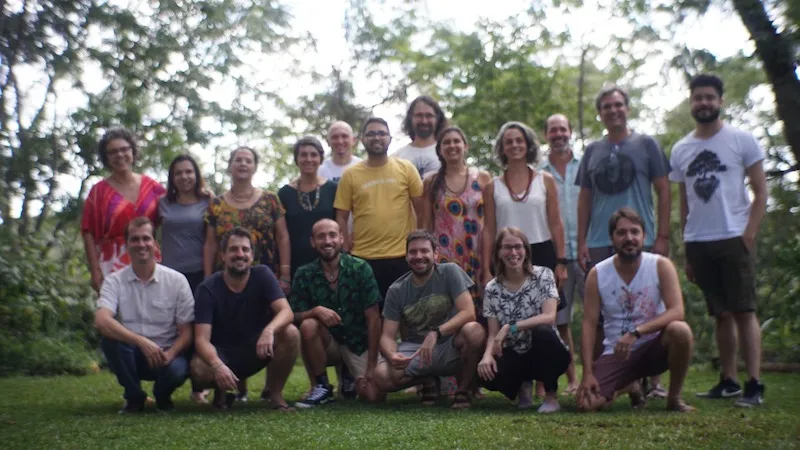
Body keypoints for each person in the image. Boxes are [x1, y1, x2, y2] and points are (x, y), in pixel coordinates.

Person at [669, 74, 767, 407]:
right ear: (691, 102)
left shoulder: (741, 140)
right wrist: (685, 249)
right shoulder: (682, 148)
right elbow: (684, 202)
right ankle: (728, 380)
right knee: (720, 313)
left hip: (733, 236)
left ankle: (755, 383)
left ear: (720, 101)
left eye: (710, 97)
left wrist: (749, 233)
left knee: (744, 310)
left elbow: (760, 190)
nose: (704, 103)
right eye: (698, 98)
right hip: (699, 240)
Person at [575, 86, 672, 398]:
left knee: (652, 307)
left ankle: (655, 382)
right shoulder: (592, 151)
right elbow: (584, 198)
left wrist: (662, 236)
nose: (613, 110)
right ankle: (619, 378)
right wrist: (581, 242)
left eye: (618, 104)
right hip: (600, 239)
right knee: (602, 313)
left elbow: (664, 190)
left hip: (638, 237)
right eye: (606, 106)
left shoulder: (646, 145)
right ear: (600, 113)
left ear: (627, 108)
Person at [480, 121, 568, 406]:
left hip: (541, 252)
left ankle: (560, 383)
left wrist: (561, 260)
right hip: (505, 255)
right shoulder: (492, 185)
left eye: (520, 140)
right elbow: (489, 229)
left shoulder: (545, 180)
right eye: (509, 142)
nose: (515, 145)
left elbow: (555, 222)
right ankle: (523, 386)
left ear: (528, 144)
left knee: (552, 323)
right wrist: (485, 267)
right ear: (502, 148)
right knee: (508, 319)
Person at [576, 208, 695, 413]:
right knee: (586, 405)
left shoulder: (661, 265)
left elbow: (677, 311)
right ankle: (629, 385)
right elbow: (588, 323)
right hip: (616, 352)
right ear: (612, 238)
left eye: (634, 232)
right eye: (621, 233)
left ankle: (674, 399)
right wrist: (587, 372)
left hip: (655, 346)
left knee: (680, 330)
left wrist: (636, 332)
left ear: (644, 236)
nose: (629, 238)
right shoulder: (597, 274)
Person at [203, 146, 291, 401]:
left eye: (248, 160)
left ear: (255, 166)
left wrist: (284, 274)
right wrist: (208, 276)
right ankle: (235, 387)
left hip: (265, 277)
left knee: (267, 328)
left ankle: (271, 389)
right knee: (232, 330)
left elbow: (282, 236)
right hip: (228, 276)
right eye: (238, 160)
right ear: (230, 165)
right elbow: (209, 243)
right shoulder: (216, 205)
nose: (243, 164)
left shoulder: (271, 199)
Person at [372, 230, 485, 409]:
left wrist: (436, 333)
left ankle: (463, 390)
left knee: (474, 331)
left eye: (424, 251)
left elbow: (468, 312)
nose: (419, 256)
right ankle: (427, 381)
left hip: (450, 344)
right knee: (381, 376)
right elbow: (387, 336)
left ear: (435, 254)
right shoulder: (396, 289)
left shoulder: (450, 271)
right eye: (413, 252)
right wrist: (392, 355)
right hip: (416, 349)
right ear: (406, 256)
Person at [190, 227, 299, 411]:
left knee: (291, 333)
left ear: (251, 255)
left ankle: (275, 394)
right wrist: (217, 365)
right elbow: (201, 339)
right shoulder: (207, 288)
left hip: (257, 349)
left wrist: (269, 330)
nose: (240, 254)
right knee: (198, 367)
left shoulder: (263, 275)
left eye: (245, 249)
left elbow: (286, 311)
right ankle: (222, 392)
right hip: (222, 354)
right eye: (233, 249)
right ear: (223, 256)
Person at [94, 217, 194, 413]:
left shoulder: (176, 281)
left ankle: (162, 396)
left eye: (146, 239)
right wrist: (141, 342)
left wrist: (171, 353)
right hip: (132, 354)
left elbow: (187, 332)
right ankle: (134, 398)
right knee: (111, 341)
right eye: (135, 239)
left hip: (166, 355)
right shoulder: (114, 281)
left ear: (155, 245)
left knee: (178, 370)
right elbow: (101, 320)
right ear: (126, 245)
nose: (141, 244)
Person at [291, 219, 383, 407]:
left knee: (373, 395)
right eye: (321, 236)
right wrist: (315, 311)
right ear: (312, 242)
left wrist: (372, 366)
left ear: (341, 238)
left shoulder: (360, 268)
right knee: (309, 325)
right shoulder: (304, 274)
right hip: (327, 343)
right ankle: (322, 387)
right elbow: (293, 315)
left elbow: (374, 318)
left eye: (332, 235)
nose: (327, 241)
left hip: (358, 342)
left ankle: (348, 374)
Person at [478, 227, 570, 412]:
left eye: (518, 247)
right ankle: (521, 387)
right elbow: (493, 334)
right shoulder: (492, 288)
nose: (513, 252)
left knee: (543, 332)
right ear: (498, 252)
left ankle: (551, 396)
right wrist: (486, 356)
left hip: (545, 350)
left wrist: (510, 327)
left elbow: (549, 317)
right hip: (515, 352)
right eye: (507, 247)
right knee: (486, 372)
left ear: (526, 250)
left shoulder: (543, 275)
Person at [334, 117, 424, 303]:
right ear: (362, 139)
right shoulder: (350, 174)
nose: (376, 137)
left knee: (408, 312)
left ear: (390, 138)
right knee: (371, 314)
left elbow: (422, 209)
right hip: (363, 257)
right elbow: (341, 216)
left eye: (381, 133)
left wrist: (420, 242)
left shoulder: (406, 168)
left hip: (402, 255)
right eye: (371, 134)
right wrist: (345, 247)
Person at [82, 128, 165, 294]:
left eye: (124, 149)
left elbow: (178, 209)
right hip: (112, 263)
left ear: (133, 151)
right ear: (106, 158)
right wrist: (95, 270)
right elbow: (88, 232)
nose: (119, 155)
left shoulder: (152, 187)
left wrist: (205, 194)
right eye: (112, 152)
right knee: (117, 316)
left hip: (148, 257)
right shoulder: (98, 192)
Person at [158, 153, 213, 404]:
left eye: (189, 172)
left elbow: (215, 238)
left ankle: (198, 387)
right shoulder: (162, 204)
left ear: (196, 174)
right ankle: (168, 378)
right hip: (169, 276)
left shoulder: (208, 201)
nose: (184, 177)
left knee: (199, 328)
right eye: (179, 173)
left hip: (199, 274)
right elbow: (143, 229)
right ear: (172, 178)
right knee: (176, 328)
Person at [420, 126, 491, 314]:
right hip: (445, 258)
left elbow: (492, 224)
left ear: (465, 146)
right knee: (448, 312)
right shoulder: (431, 182)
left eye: (456, 141)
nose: (452, 146)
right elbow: (425, 226)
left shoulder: (482, 178)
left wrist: (488, 263)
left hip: (477, 255)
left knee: (480, 314)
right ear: (440, 149)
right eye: (446, 142)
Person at [539, 114, 584, 395]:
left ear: (570, 132)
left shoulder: (586, 167)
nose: (558, 134)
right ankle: (572, 379)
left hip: (588, 250)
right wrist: (559, 259)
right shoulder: (539, 174)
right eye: (553, 130)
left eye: (562, 129)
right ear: (546, 135)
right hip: (559, 256)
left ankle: (597, 375)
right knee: (561, 321)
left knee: (597, 317)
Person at [278, 136, 338, 278]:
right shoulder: (285, 193)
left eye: (313, 155)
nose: (309, 159)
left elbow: (340, 225)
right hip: (297, 266)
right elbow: (281, 235)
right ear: (296, 159)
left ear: (321, 159)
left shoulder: (333, 189)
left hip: (330, 263)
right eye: (303, 155)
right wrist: (284, 271)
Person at [393, 95, 447, 178]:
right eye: (419, 115)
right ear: (411, 118)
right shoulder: (396, 157)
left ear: (437, 119)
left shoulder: (448, 152)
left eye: (429, 115)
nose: (424, 121)